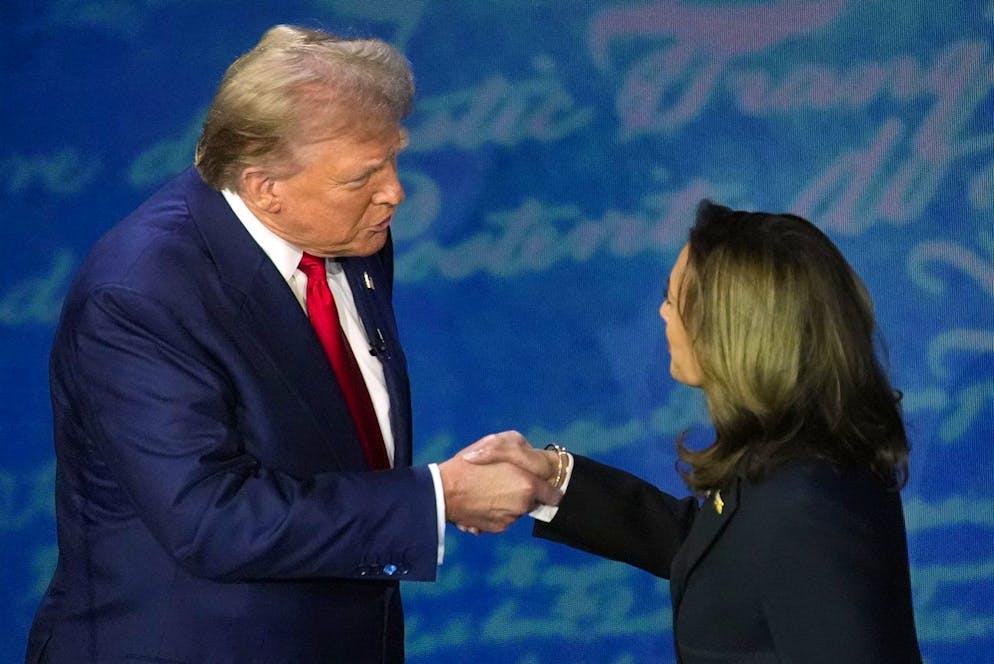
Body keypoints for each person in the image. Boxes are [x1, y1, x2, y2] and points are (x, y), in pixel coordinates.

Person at [26, 25, 558, 664]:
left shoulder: (350, 231)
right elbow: (211, 520)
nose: (394, 191)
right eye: (362, 176)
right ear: (264, 187)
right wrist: (437, 498)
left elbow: (330, 442)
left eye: (394, 158)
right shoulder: (140, 294)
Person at [466, 201, 923, 663]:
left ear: (732, 329)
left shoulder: (807, 508)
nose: (663, 313)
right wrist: (553, 478)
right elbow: (716, 553)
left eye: (672, 299)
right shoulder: (791, 454)